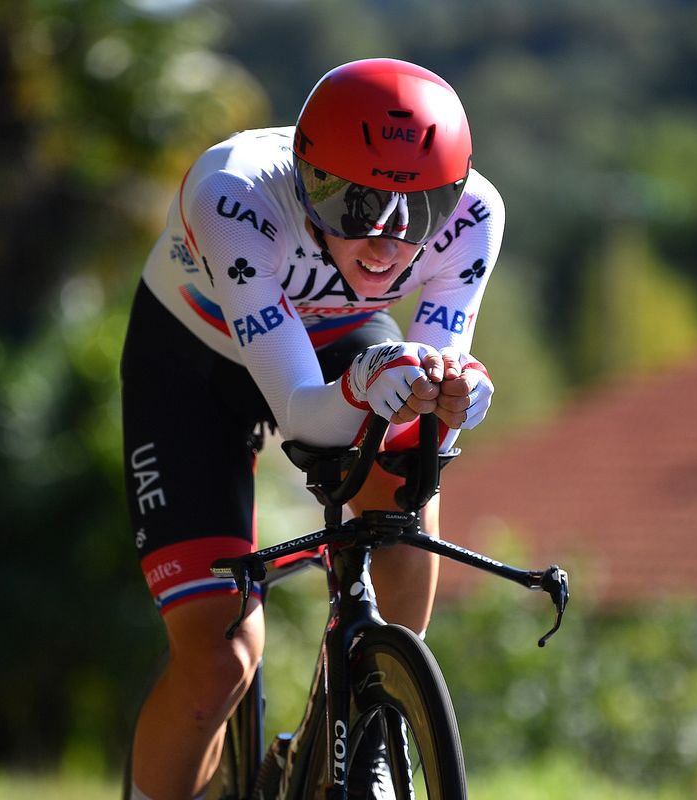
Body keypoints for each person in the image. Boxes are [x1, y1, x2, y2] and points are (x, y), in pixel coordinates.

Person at [120, 57, 503, 800]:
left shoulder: (476, 216)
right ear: (308, 180)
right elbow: (303, 409)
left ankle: (376, 715)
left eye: (417, 213)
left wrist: (457, 396)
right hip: (195, 362)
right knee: (218, 664)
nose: (388, 244)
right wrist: (368, 383)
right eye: (356, 208)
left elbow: (437, 386)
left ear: (451, 200)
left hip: (344, 339)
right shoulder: (233, 193)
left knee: (405, 492)